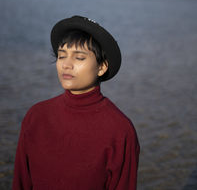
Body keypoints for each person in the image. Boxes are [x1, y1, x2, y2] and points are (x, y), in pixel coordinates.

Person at [12, 15, 140, 190]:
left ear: (102, 67)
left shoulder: (120, 130)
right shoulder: (37, 116)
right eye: (62, 56)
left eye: (79, 58)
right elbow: (21, 182)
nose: (66, 64)